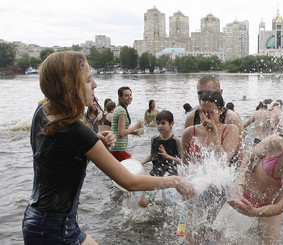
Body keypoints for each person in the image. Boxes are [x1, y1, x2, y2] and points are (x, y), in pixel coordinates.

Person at [22, 51, 195, 245]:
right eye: (88, 80)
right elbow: (130, 182)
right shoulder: (77, 132)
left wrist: (94, 139)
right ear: (71, 86)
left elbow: (56, 149)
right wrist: (176, 181)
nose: (95, 85)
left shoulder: (43, 111)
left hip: (37, 220)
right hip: (57, 230)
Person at [181, 90, 240, 244]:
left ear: (221, 110)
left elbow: (223, 161)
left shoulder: (231, 130)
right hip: (196, 187)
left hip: (220, 189)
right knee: (192, 237)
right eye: (203, 112)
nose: (206, 116)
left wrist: (214, 132)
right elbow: (185, 165)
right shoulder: (190, 132)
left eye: (211, 112)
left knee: (218, 238)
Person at [139, 110, 182, 207]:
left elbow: (183, 161)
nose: (159, 126)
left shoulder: (176, 141)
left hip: (170, 177)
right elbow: (151, 155)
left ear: (172, 124)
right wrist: (139, 163)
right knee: (143, 203)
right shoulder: (154, 139)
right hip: (155, 175)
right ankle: (158, 202)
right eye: (158, 123)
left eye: (163, 123)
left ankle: (161, 203)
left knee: (169, 206)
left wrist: (168, 156)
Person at [110, 87, 144, 161]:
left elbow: (117, 130)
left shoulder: (118, 108)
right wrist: (136, 126)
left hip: (115, 147)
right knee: (131, 168)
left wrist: (133, 133)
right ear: (120, 97)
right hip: (118, 148)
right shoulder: (121, 111)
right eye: (126, 95)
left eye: (130, 95)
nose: (129, 97)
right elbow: (121, 133)